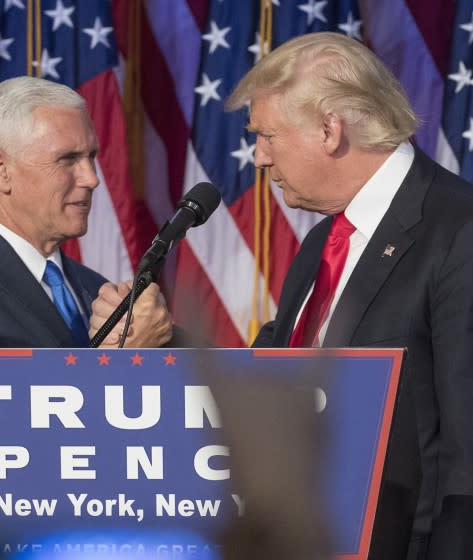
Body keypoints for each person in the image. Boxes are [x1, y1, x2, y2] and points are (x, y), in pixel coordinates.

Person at [0, 76, 175, 559]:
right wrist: (120, 365)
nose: (91, 178)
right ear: (0, 169)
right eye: (68, 159)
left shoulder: (91, 287)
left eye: (91, 157)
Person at [228, 32, 473, 559]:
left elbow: (467, 457)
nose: (259, 156)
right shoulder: (326, 239)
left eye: (267, 134)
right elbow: (276, 373)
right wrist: (163, 343)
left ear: (329, 129)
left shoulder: (460, 231)